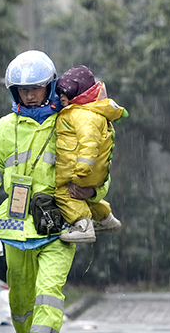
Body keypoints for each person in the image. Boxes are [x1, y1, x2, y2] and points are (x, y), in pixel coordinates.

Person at [0, 50, 109, 333]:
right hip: (14, 229)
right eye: (23, 90)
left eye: (36, 88)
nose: (29, 95)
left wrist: (92, 191)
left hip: (59, 227)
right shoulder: (4, 128)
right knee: (20, 301)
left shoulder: (70, 122)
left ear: (50, 86)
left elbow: (98, 168)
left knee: (48, 292)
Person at [54, 65, 127, 243]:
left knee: (63, 195)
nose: (61, 97)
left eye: (66, 93)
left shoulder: (81, 115)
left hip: (80, 170)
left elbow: (89, 142)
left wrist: (83, 167)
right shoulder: (94, 113)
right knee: (85, 201)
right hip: (96, 174)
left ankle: (82, 226)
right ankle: (106, 219)